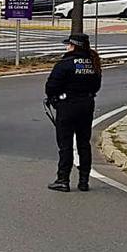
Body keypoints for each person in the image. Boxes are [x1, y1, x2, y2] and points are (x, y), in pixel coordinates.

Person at [45, 32, 103, 192]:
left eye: (68, 44)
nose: (66, 47)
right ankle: (84, 181)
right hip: (86, 105)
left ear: (73, 46)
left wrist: (54, 99)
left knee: (65, 145)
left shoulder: (65, 64)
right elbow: (96, 86)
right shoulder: (93, 63)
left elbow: (51, 86)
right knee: (84, 143)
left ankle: (63, 180)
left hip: (67, 106)